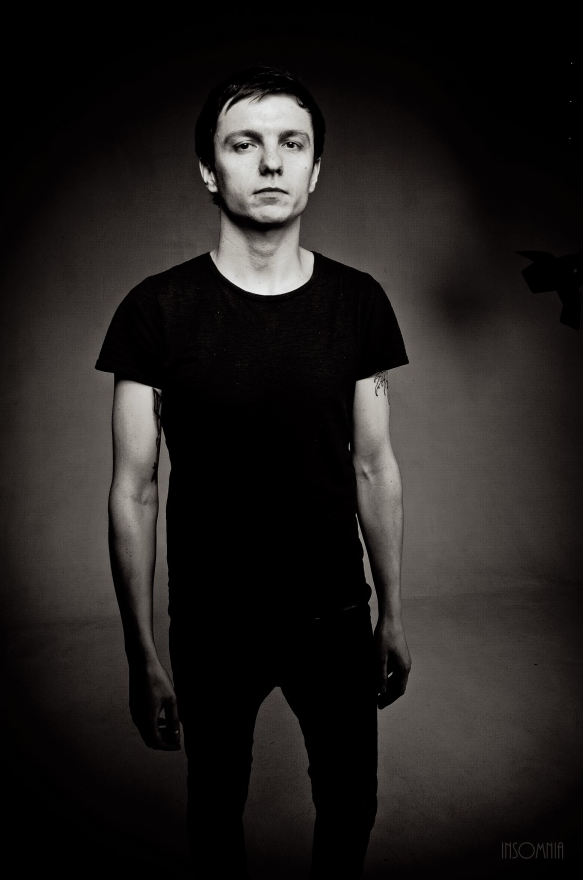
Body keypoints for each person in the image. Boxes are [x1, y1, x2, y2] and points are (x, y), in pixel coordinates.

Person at [96, 63, 412, 879]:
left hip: (335, 615)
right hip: (213, 624)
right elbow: (134, 489)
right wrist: (142, 653)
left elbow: (374, 467)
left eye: (291, 144)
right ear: (210, 170)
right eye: (244, 144)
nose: (271, 162)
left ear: (315, 170)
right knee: (215, 811)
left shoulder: (358, 303)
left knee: (350, 805)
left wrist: (392, 612)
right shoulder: (154, 311)